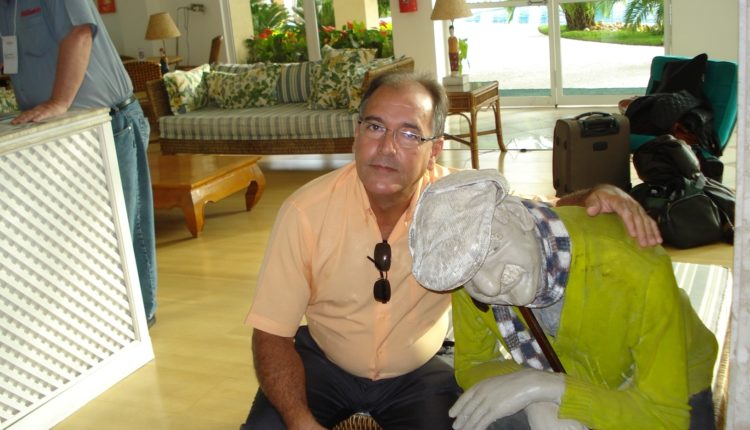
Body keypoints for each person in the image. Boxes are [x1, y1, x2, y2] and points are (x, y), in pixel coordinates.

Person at [241, 71, 662, 429]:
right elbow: (271, 333)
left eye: (410, 134)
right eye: (375, 127)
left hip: (420, 371)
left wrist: (599, 194)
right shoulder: (305, 212)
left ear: (435, 150)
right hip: (323, 361)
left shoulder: (460, 202)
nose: (387, 148)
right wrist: (299, 421)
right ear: (357, 133)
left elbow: (536, 214)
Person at [409, 169, 717, 430]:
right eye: (468, 276)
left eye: (493, 249)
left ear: (518, 216)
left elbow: (665, 416)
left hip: (664, 390)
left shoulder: (633, 268)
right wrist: (537, 398)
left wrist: (550, 388)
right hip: (562, 369)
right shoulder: (466, 269)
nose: (487, 287)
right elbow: (473, 364)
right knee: (478, 415)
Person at [0, 0, 158, 325]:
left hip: (108, 122)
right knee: (86, 236)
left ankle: (138, 321)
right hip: (57, 132)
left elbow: (80, 33)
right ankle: (105, 320)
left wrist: (58, 101)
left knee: (123, 228)